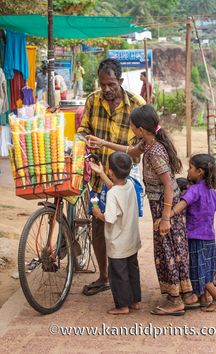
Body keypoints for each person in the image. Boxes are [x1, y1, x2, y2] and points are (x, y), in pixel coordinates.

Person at [86, 104, 197, 315]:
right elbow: (130, 151)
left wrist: (165, 217)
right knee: (176, 249)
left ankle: (175, 300)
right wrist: (102, 143)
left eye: (132, 127)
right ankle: (187, 294)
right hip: (167, 204)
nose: (132, 130)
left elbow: (166, 183)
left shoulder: (154, 151)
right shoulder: (149, 142)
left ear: (140, 129)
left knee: (167, 251)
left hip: (166, 206)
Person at [78, 58, 145, 296]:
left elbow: (141, 147)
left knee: (124, 226)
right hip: (98, 176)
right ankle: (104, 276)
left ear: (121, 81)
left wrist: (107, 144)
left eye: (111, 85)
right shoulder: (92, 101)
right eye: (103, 84)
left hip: (126, 178)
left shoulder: (136, 105)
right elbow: (82, 130)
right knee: (98, 223)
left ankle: (127, 278)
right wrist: (85, 139)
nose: (106, 89)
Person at [170, 154, 216, 312]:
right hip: (209, 236)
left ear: (199, 171)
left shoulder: (194, 190)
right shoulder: (213, 192)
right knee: (206, 268)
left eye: (190, 168)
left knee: (198, 270)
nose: (188, 170)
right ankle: (204, 300)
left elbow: (182, 204)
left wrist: (168, 215)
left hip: (196, 237)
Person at [90, 152, 141, 315]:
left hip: (117, 243)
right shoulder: (130, 185)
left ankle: (122, 305)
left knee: (118, 276)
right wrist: (102, 174)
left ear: (111, 171)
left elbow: (110, 218)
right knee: (132, 271)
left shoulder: (112, 194)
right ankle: (135, 301)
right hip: (131, 240)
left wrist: (97, 213)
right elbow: (117, 190)